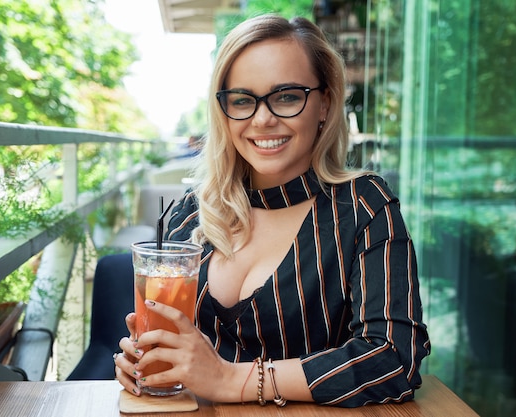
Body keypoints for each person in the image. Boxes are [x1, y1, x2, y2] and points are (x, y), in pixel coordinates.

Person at [115, 14, 430, 408]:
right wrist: (139, 359)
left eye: (286, 96)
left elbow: (394, 358)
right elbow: (170, 343)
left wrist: (233, 379)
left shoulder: (364, 206)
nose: (263, 119)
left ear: (324, 103)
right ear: (224, 112)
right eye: (243, 100)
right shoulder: (192, 212)